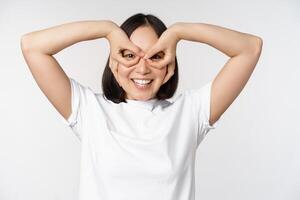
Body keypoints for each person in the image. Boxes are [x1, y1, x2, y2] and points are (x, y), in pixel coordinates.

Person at [20, 13, 262, 200]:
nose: (143, 69)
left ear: (170, 65)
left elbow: (249, 48)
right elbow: (33, 46)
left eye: (155, 56)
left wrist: (179, 32)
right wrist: (106, 29)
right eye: (129, 55)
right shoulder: (89, 110)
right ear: (114, 62)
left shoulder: (190, 112)